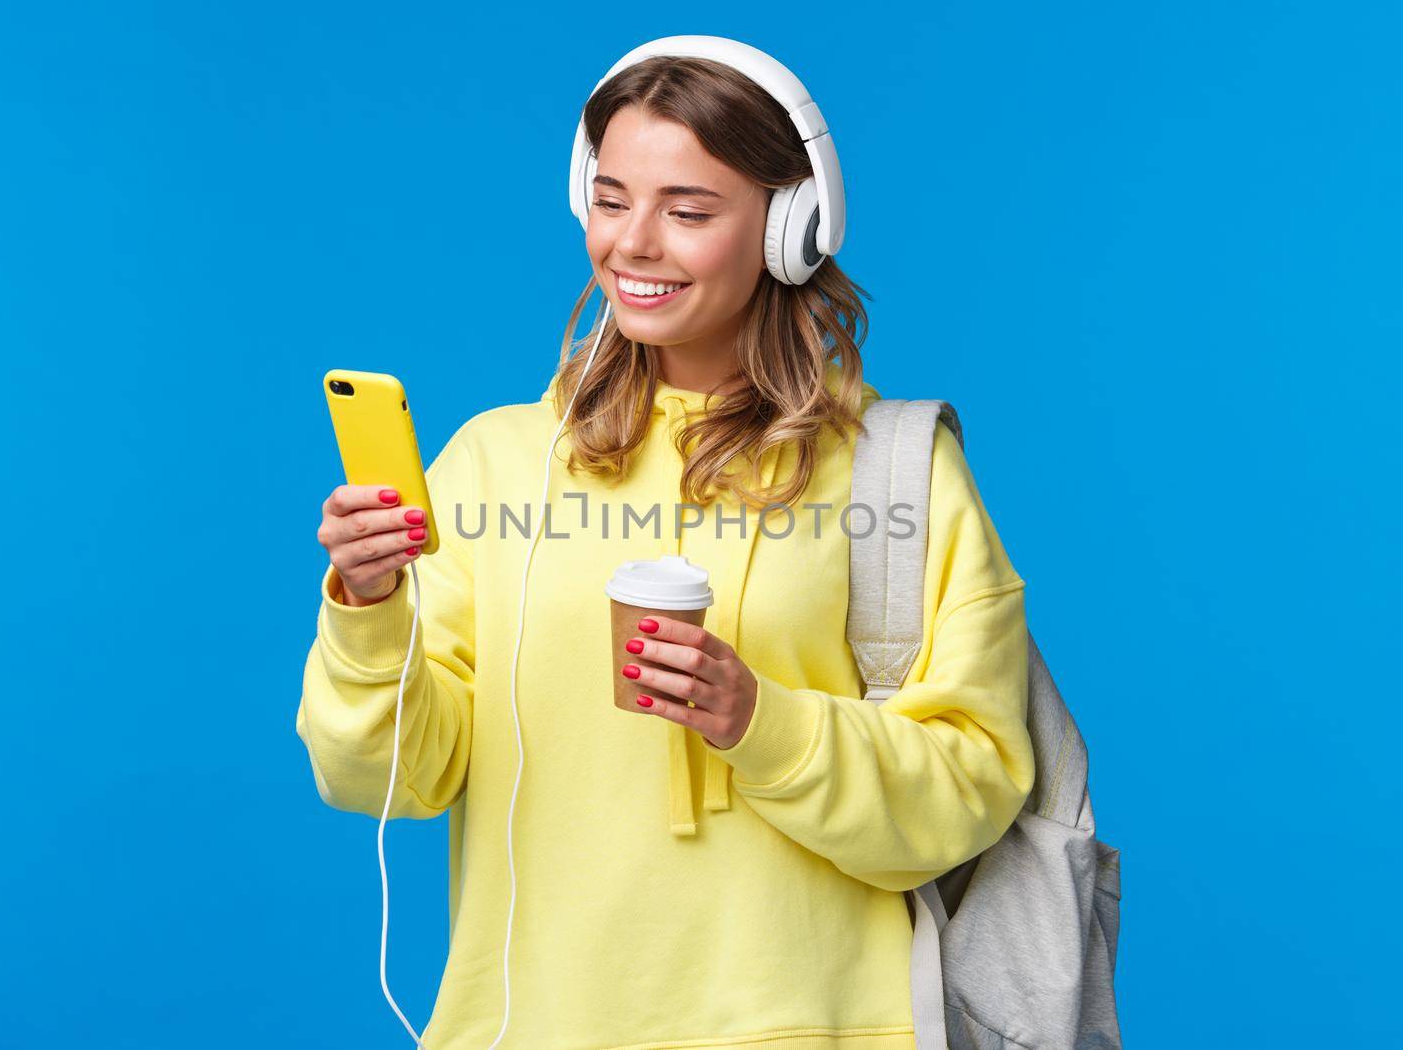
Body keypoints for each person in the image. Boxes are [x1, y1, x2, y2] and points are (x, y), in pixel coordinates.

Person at [298, 53, 1034, 1049]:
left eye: (687, 211)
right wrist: (368, 603)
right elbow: (389, 776)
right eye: (609, 199)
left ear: (789, 229)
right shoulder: (497, 461)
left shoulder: (892, 472)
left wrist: (759, 720)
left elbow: (969, 790)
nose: (632, 244)